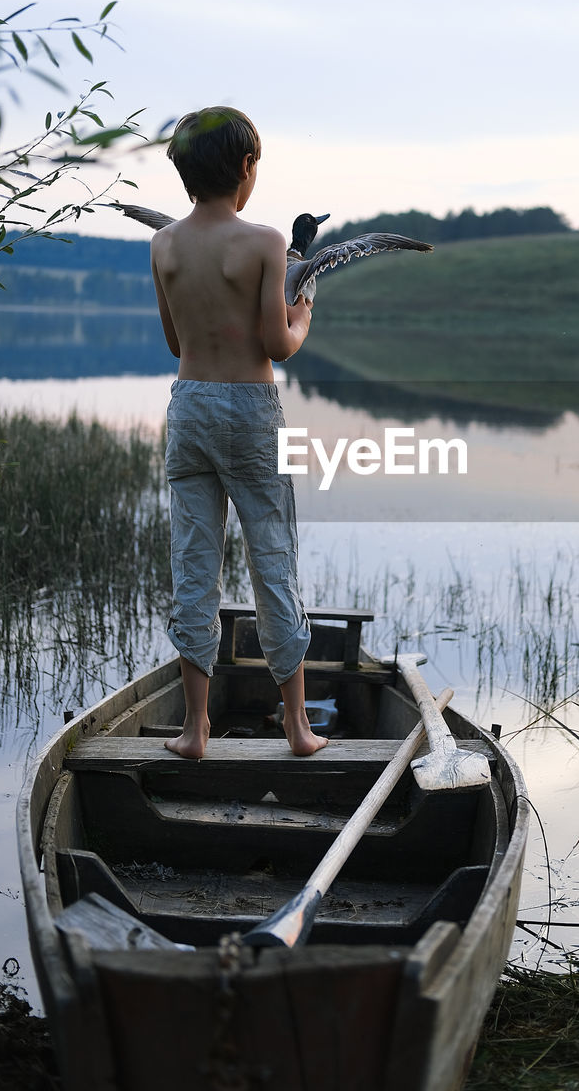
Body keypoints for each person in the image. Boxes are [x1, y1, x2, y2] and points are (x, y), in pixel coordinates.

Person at [150, 105, 328, 760]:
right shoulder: (264, 243)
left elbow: (174, 339)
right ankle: (298, 728)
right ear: (247, 169)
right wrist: (303, 314)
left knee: (194, 570)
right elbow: (277, 345)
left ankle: (193, 732)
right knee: (272, 564)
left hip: (189, 407)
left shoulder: (162, 242)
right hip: (250, 411)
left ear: (183, 171)